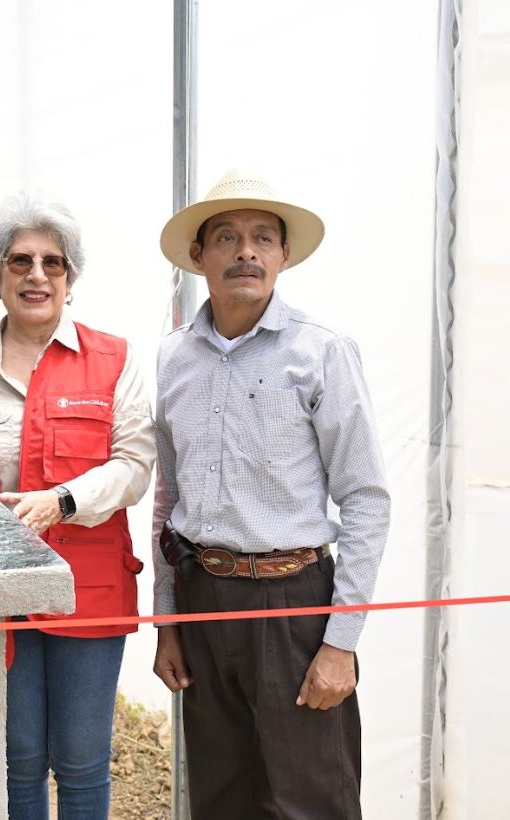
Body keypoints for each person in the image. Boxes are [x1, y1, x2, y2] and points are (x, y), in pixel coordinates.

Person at [151, 169, 391, 818]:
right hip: (203, 601)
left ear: (284, 255)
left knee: (309, 802)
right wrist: (168, 622)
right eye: (226, 238)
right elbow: (168, 501)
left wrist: (340, 642)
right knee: (220, 799)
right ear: (198, 255)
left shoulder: (322, 353)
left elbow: (366, 498)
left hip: (294, 608)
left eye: (262, 238)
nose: (246, 252)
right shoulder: (174, 359)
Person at [0, 192, 155, 819]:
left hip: (88, 589)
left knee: (82, 763)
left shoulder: (114, 358)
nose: (37, 275)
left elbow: (134, 465)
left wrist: (62, 501)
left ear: (71, 278)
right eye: (20, 261)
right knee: (16, 761)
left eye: (53, 263)